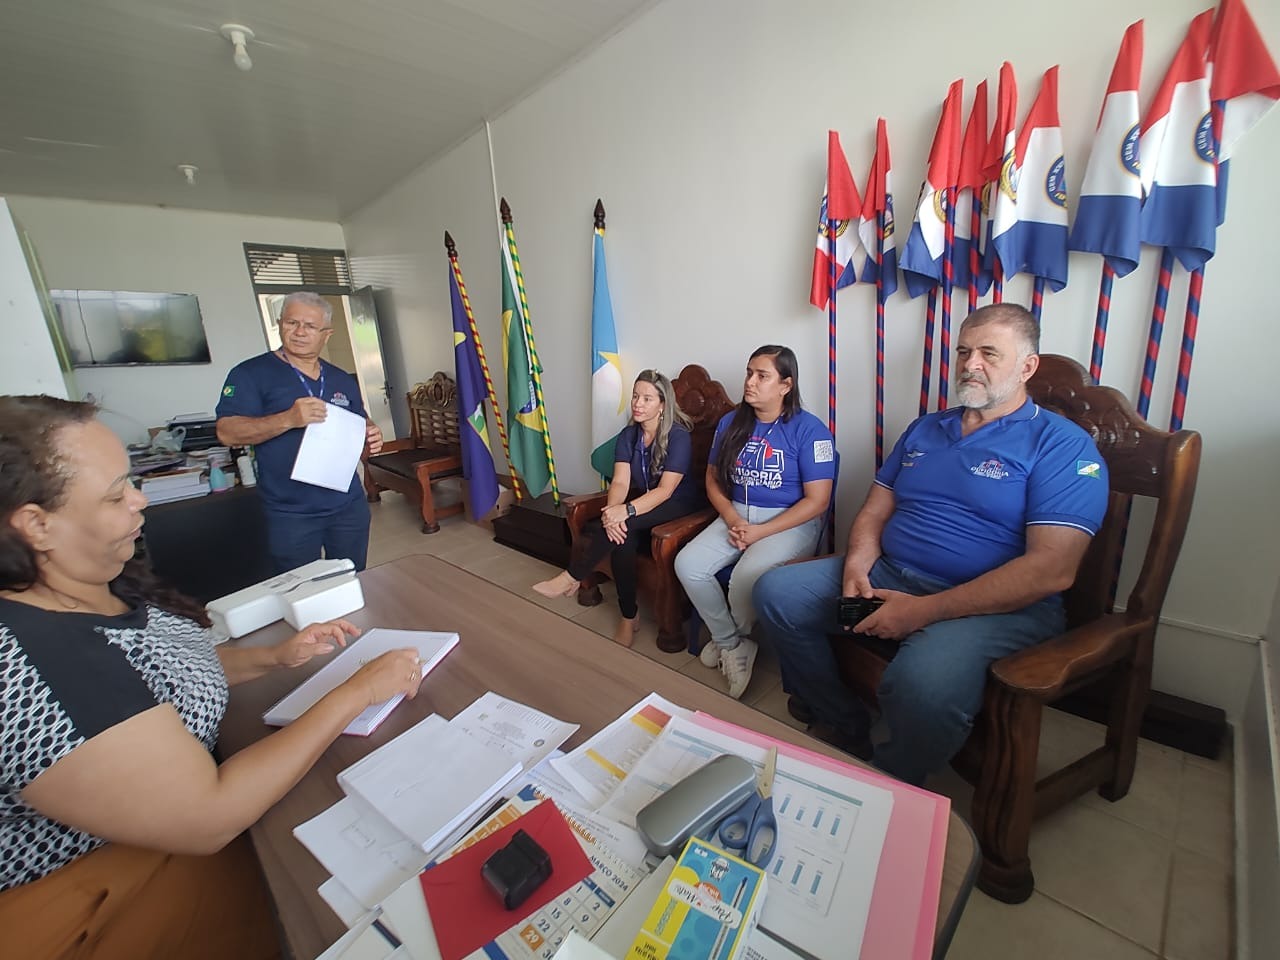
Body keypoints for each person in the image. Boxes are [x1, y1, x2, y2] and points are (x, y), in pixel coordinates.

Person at [0, 395, 425, 958]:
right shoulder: (33, 660)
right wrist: (359, 691)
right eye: (115, 493)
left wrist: (274, 658)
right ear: (37, 524)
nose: (140, 499)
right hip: (103, 891)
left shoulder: (90, 584)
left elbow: (158, 674)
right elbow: (208, 815)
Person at [753, 304, 1110, 785]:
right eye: (964, 351)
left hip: (994, 609)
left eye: (988, 353)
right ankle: (846, 723)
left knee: (922, 684)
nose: (970, 364)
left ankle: (890, 780)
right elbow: (876, 508)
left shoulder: (1061, 445)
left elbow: (1052, 570)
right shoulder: (927, 428)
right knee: (778, 595)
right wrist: (858, 563)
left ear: (1028, 367)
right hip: (891, 579)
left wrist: (922, 612)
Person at [674, 345, 834, 700]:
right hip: (737, 516)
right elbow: (713, 479)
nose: (750, 382)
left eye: (762, 375)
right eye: (749, 372)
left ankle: (729, 638)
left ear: (785, 385)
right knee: (688, 563)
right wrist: (732, 517)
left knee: (746, 577)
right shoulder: (732, 422)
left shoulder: (811, 430)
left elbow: (818, 501)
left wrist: (760, 532)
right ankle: (731, 643)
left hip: (789, 523)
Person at [215, 291, 383, 573]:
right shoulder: (250, 374)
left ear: (326, 334)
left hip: (347, 505)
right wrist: (288, 419)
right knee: (300, 591)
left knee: (353, 579)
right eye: (292, 323)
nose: (300, 332)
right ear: (280, 324)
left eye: (310, 326)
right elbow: (226, 432)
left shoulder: (342, 378)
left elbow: (360, 423)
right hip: (290, 511)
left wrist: (371, 434)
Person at [532, 371, 700, 647]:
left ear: (662, 405)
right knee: (621, 538)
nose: (638, 403)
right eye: (635, 396)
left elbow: (665, 490)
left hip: (679, 506)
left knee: (625, 524)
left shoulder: (679, 436)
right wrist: (612, 514)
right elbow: (620, 481)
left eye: (647, 398)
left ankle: (572, 575)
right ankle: (628, 615)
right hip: (645, 503)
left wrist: (628, 512)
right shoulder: (628, 435)